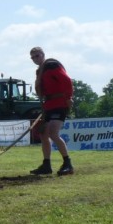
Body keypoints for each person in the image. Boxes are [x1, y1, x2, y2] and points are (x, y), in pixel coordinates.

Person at [29, 47, 74, 176]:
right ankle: (46, 165)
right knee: (44, 134)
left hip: (59, 103)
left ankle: (67, 163)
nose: (35, 59)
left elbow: (67, 80)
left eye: (37, 56)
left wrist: (69, 98)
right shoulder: (40, 71)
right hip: (49, 105)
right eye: (32, 57)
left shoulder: (51, 65)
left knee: (53, 133)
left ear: (43, 54)